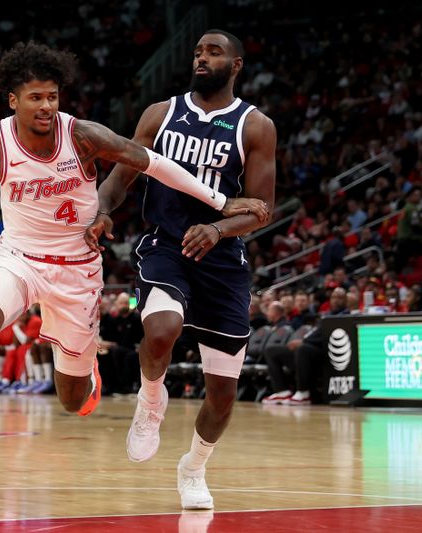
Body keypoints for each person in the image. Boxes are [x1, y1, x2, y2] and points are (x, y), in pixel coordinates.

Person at [0, 41, 269, 503]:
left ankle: (85, 369)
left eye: (53, 96)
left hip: (76, 272)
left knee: (73, 399)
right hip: (18, 259)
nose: (47, 106)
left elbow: (155, 165)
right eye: (36, 97)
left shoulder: (84, 135)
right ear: (13, 100)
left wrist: (220, 203)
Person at [85, 30, 276, 510]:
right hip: (166, 245)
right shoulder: (160, 114)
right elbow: (120, 177)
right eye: (197, 51)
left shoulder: (255, 126)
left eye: (213, 52)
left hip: (224, 261)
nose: (201, 58)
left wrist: (218, 230)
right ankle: (151, 399)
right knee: (162, 330)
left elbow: (260, 209)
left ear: (236, 64)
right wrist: (103, 209)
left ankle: (193, 467)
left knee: (223, 394)